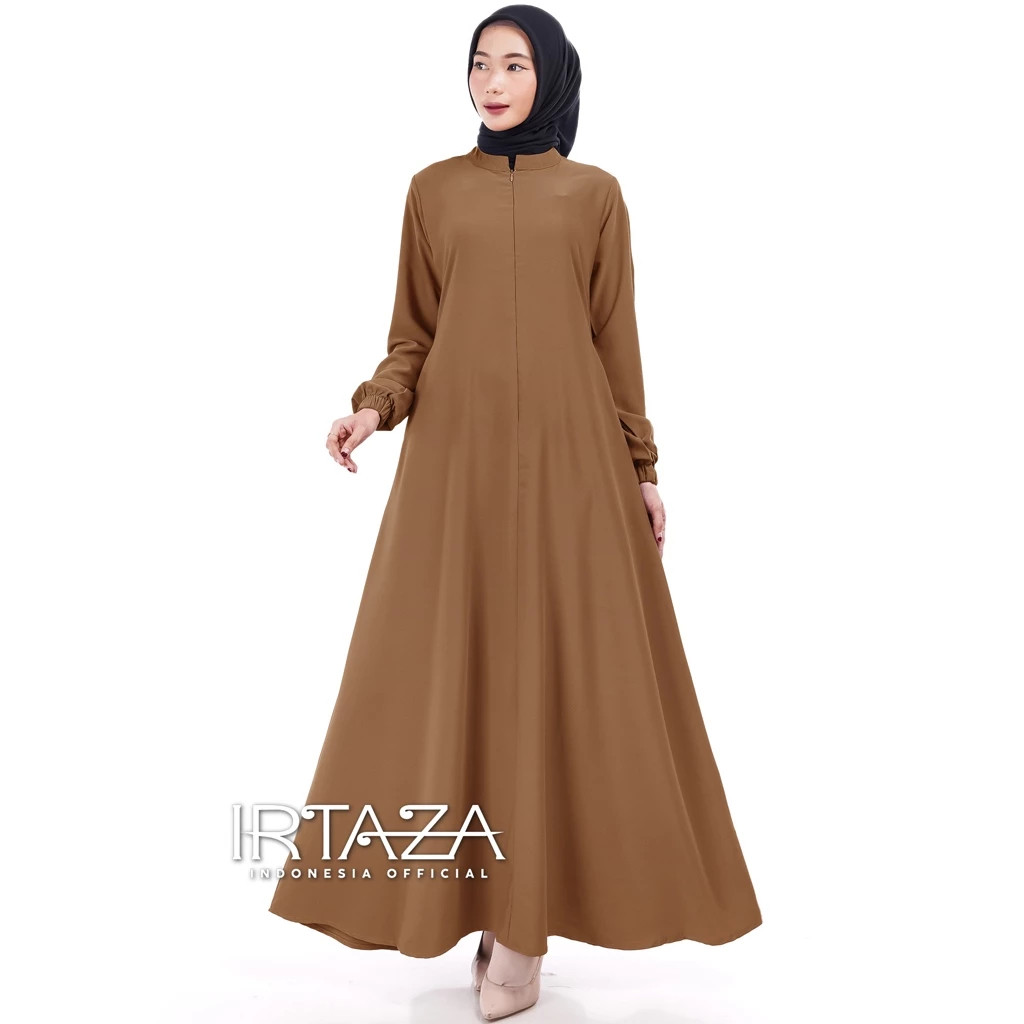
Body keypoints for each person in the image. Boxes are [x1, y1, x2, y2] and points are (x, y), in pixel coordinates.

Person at [269, 4, 762, 1019]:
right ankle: (488, 904)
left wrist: (641, 466)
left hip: (575, 464)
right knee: (455, 670)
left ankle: (524, 929)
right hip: (457, 467)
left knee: (566, 678)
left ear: (553, 80)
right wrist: (373, 408)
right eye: (480, 64)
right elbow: (412, 335)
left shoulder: (594, 194)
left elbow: (614, 336)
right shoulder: (431, 190)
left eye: (515, 65)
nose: (492, 82)